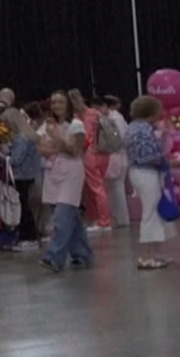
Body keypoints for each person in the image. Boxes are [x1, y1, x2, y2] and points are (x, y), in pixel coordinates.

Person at [37, 91, 94, 272]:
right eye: (54, 102)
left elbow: (75, 150)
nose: (57, 106)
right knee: (72, 219)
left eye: (60, 102)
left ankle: (54, 257)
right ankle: (82, 255)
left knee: (61, 218)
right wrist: (59, 146)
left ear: (68, 104)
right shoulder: (47, 125)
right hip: (53, 174)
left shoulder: (76, 125)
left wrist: (57, 138)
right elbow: (42, 149)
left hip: (71, 174)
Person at [123, 95, 176, 269]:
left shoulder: (133, 127)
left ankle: (156, 253)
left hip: (140, 172)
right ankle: (144, 256)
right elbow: (148, 155)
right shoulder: (144, 130)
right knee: (151, 212)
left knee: (153, 211)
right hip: (146, 172)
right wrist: (168, 162)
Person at [71, 90, 113, 232]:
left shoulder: (85, 117)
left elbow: (86, 138)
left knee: (96, 188)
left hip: (91, 154)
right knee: (97, 187)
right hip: (104, 153)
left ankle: (103, 221)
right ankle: (98, 219)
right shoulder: (96, 113)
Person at [4, 99, 42, 249]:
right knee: (26, 208)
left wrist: (4, 156)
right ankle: (28, 237)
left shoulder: (21, 138)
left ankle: (29, 238)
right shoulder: (29, 136)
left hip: (21, 177)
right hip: (29, 176)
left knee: (23, 209)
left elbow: (16, 159)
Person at [101, 95, 131, 228]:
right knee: (115, 188)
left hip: (116, 155)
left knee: (116, 188)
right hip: (118, 155)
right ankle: (119, 217)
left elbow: (119, 138)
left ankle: (121, 218)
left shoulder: (115, 118)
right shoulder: (117, 118)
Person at [22, 103, 49, 239]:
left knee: (41, 198)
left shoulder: (44, 127)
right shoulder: (29, 127)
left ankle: (42, 228)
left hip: (42, 166)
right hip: (37, 166)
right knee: (37, 199)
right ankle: (38, 228)